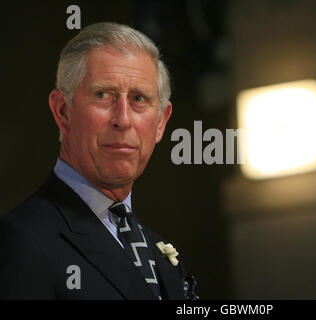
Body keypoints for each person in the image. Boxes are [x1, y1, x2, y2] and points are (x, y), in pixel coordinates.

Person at [0, 22, 191, 300]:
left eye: (139, 99)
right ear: (63, 111)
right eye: (103, 95)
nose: (123, 119)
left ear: (160, 123)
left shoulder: (159, 252)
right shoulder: (21, 241)